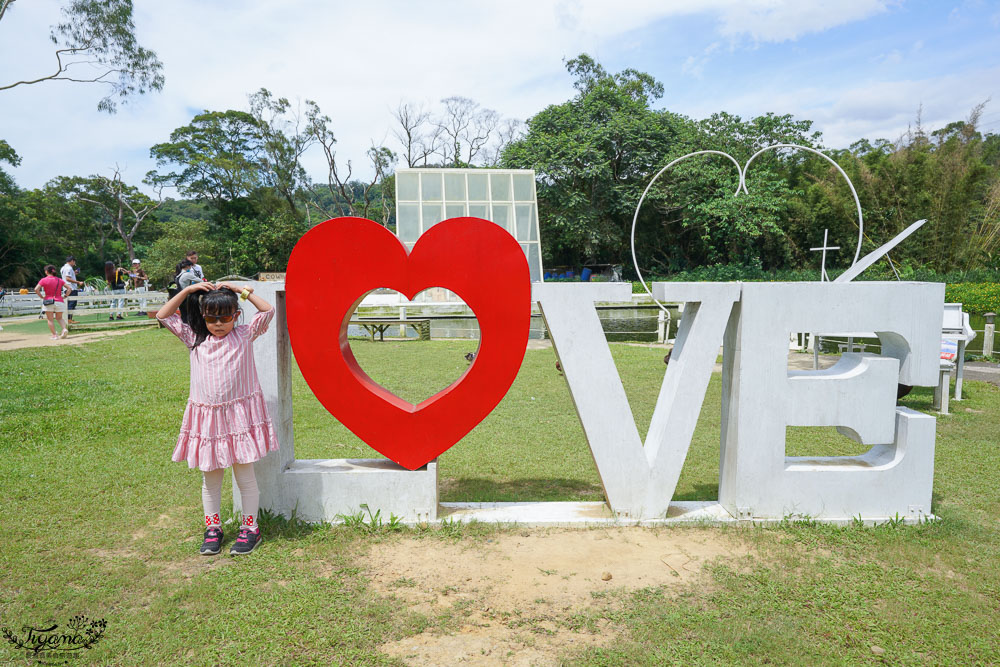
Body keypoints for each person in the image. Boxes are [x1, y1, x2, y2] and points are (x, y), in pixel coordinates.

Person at [156, 281, 277, 556]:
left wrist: (239, 290)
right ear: (203, 317)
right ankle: (213, 528)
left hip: (239, 420)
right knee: (211, 481)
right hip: (208, 422)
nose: (218, 324)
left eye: (225, 318)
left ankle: (251, 528)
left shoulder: (245, 334)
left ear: (236, 316)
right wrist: (188, 291)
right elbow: (163, 316)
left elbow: (268, 311)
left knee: (245, 478)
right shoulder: (194, 339)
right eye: (211, 318)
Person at [34, 264, 70, 340]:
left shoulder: (43, 280)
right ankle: (64, 329)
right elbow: (69, 288)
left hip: (48, 301)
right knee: (59, 318)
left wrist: (41, 296)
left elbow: (36, 289)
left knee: (50, 319)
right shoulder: (59, 280)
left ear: (46, 272)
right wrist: (65, 296)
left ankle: (54, 335)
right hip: (59, 301)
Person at [60, 256, 84, 324]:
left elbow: (66, 277)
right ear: (72, 261)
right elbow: (67, 278)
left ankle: (68, 319)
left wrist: (74, 273)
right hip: (71, 288)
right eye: (74, 261)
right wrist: (78, 282)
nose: (74, 263)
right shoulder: (69, 268)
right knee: (72, 304)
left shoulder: (63, 268)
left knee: (69, 304)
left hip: (66, 288)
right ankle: (69, 319)